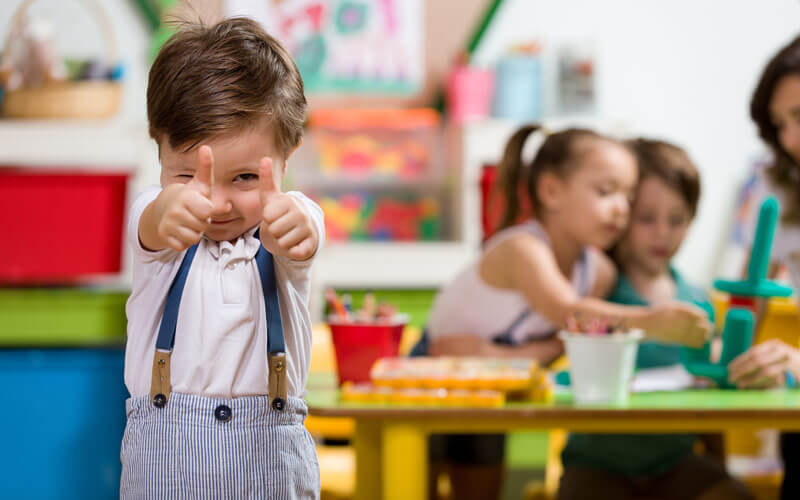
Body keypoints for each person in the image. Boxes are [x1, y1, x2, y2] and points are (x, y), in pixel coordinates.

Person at [423, 124, 712, 500]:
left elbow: (567, 338)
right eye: (606, 192)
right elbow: (570, 314)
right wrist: (650, 322)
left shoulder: (599, 271)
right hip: (430, 380)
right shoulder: (523, 250)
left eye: (628, 195)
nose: (621, 208)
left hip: (494, 385)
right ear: (551, 190)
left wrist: (507, 357)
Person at [120, 18, 323, 499]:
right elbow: (153, 218)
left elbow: (303, 230)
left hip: (270, 471)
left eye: (246, 178)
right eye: (189, 175)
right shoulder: (157, 225)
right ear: (159, 148)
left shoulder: (287, 222)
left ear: (288, 155)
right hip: (165, 473)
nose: (216, 203)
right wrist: (171, 205)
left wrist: (293, 229)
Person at [558, 138, 753, 500]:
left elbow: (712, 407)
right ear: (621, 215)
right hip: (596, 466)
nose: (662, 232)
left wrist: (720, 465)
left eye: (676, 220)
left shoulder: (698, 302)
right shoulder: (599, 288)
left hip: (675, 464)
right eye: (646, 218)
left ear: (691, 222)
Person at [730, 34, 800, 500]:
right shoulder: (778, 191)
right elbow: (749, 292)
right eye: (780, 124)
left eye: (799, 116)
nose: (790, 139)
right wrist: (726, 355)